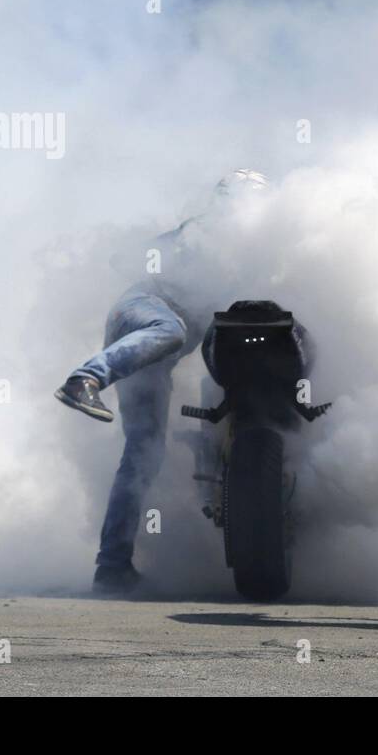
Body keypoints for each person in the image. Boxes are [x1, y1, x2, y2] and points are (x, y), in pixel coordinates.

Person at [54, 169, 268, 593]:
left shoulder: (238, 260)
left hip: (151, 359)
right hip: (142, 311)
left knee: (143, 457)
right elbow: (131, 257)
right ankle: (85, 378)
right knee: (173, 331)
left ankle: (111, 567)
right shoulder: (203, 232)